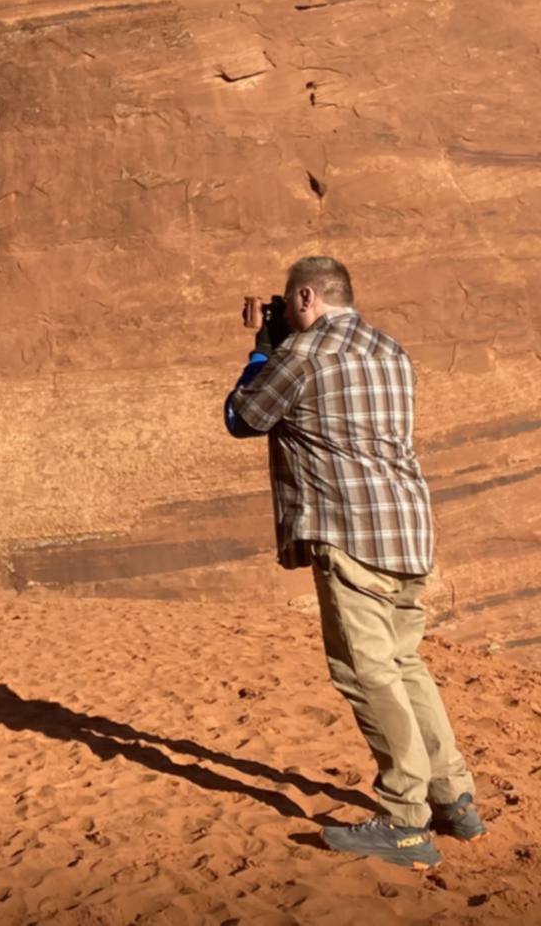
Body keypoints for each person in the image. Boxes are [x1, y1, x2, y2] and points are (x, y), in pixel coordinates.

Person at [224, 255, 485, 869]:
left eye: (289, 305)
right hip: (408, 530)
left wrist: (264, 344)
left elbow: (243, 416)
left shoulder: (304, 355)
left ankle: (403, 821)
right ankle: (456, 797)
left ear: (307, 297)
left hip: (351, 533)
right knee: (403, 663)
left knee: (365, 673)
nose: (285, 314)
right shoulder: (390, 349)